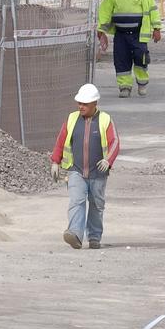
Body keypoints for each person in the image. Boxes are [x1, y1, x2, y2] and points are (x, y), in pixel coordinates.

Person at [49, 84, 117, 249]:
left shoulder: (105, 120)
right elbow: (61, 140)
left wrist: (108, 160)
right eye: (79, 103)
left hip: (98, 173)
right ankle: (75, 234)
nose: (81, 106)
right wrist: (55, 161)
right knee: (76, 201)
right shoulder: (72, 119)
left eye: (85, 104)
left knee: (96, 205)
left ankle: (94, 237)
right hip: (76, 170)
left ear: (95, 103)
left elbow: (114, 142)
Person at [96, 0, 162, 97]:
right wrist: (101, 30)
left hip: (138, 34)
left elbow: (153, 10)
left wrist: (157, 29)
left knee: (141, 58)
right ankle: (124, 87)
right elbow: (105, 10)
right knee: (121, 60)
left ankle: (142, 83)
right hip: (121, 35)